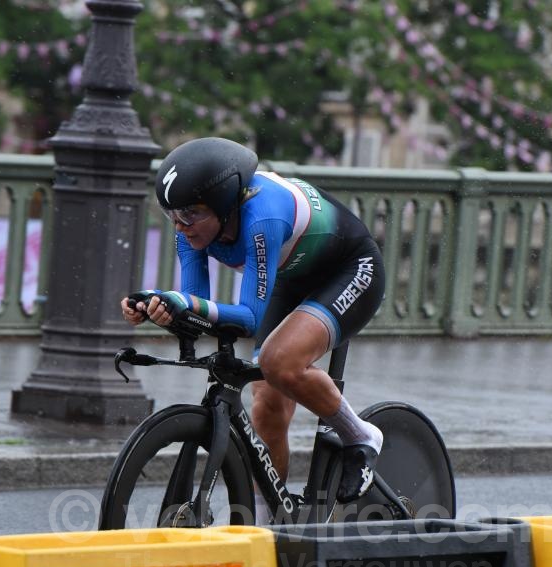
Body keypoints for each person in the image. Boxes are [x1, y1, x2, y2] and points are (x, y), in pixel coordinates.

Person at [120, 137, 386, 503]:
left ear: (224, 204)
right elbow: (199, 306)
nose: (180, 226)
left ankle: (359, 435)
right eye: (173, 215)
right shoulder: (192, 229)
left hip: (349, 268)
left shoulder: (263, 217)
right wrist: (161, 309)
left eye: (190, 214)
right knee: (267, 402)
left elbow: (248, 319)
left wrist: (183, 303)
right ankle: (268, 523)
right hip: (289, 275)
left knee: (279, 361)